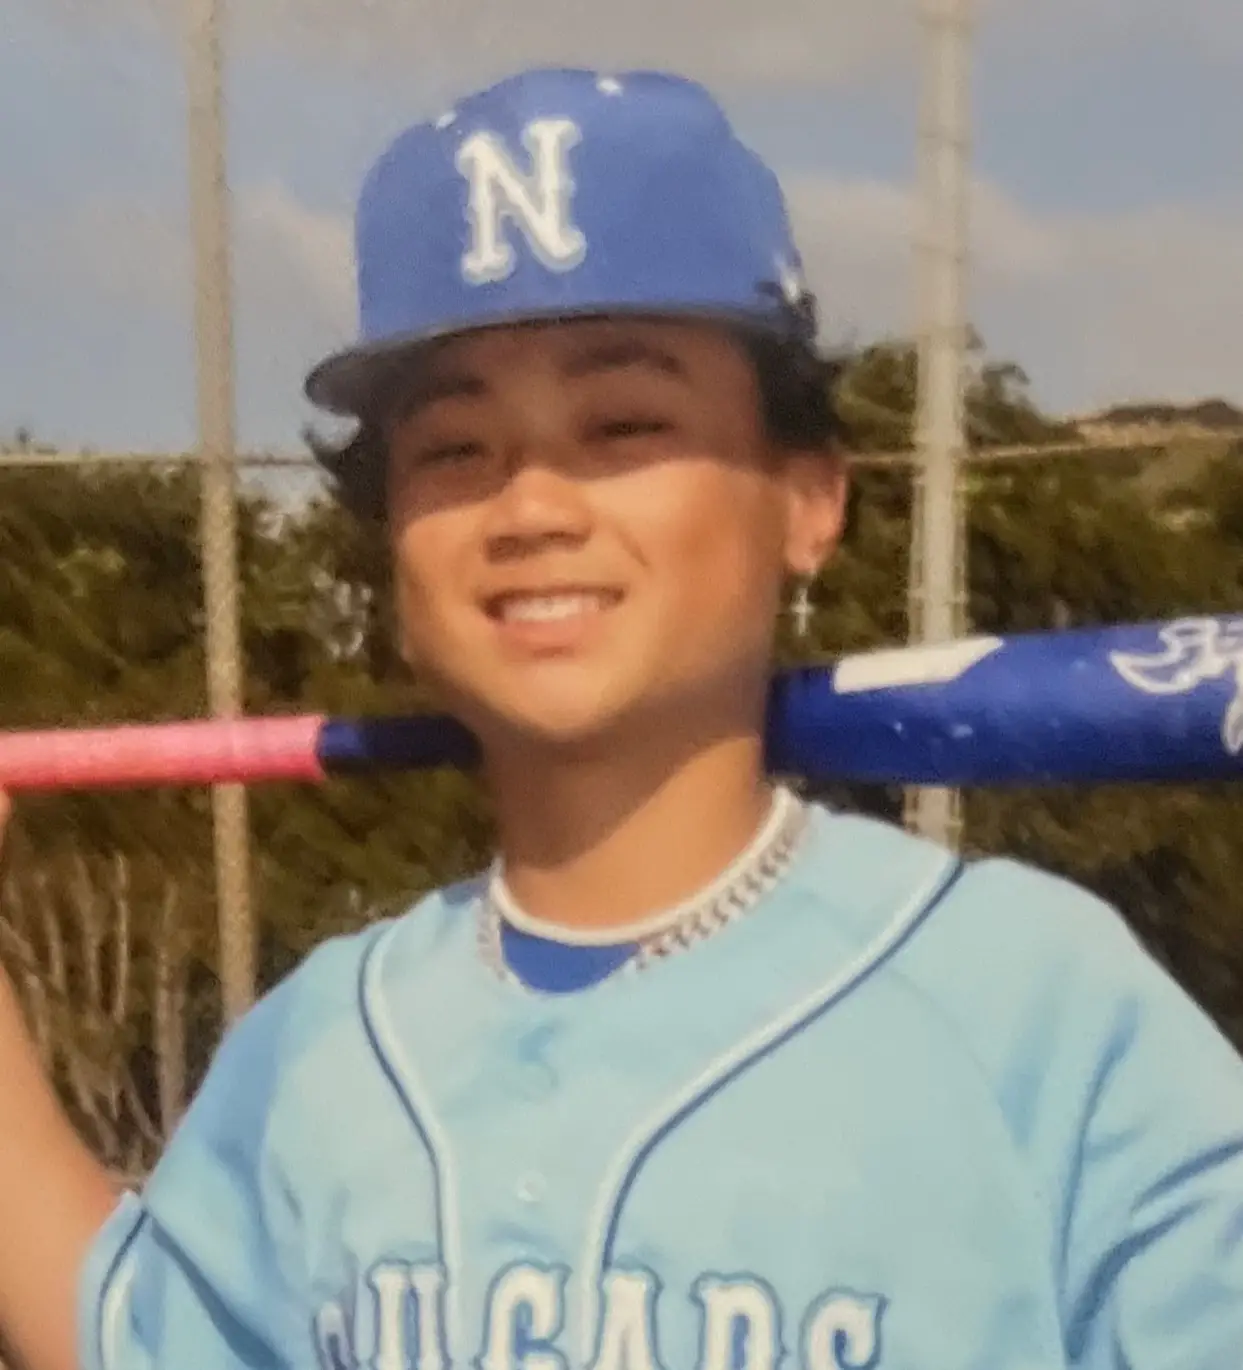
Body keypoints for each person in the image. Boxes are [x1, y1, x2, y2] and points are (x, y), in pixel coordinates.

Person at [0, 65, 1241, 1370]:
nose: (533, 507)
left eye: (625, 424)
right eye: (455, 447)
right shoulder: (319, 1041)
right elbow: (130, 1340)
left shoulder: (1033, 1004)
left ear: (808, 499)